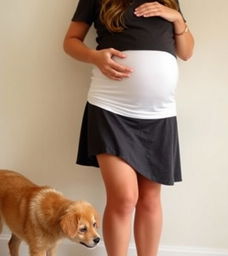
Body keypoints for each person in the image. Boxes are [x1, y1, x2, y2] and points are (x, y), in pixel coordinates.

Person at [63, 0, 194, 255]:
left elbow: (187, 52)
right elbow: (70, 41)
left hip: (159, 115)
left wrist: (177, 19)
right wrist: (94, 56)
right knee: (124, 198)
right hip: (111, 109)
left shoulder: (168, 0)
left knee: (150, 200)